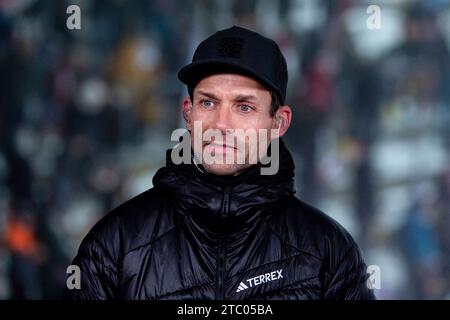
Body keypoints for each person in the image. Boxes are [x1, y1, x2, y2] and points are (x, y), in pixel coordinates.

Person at [64, 26, 375, 300]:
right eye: (208, 102)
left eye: (244, 107)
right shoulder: (115, 245)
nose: (221, 124)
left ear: (279, 123)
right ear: (188, 113)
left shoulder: (328, 252)